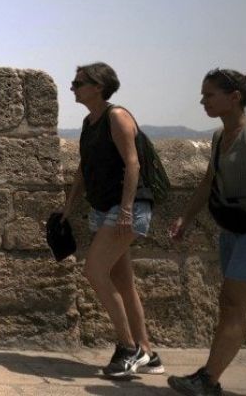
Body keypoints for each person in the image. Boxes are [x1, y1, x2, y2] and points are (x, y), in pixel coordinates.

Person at [168, 69, 246, 396]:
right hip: (232, 231)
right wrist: (186, 217)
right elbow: (209, 181)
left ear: (234, 97)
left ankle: (207, 380)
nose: (202, 101)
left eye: (209, 94)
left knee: (231, 302)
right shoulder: (217, 138)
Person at [60, 62, 163, 378]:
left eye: (78, 83)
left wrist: (128, 209)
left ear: (98, 86)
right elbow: (83, 168)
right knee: (124, 283)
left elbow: (132, 164)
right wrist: (68, 207)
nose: (72, 87)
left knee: (94, 271)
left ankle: (126, 347)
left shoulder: (116, 116)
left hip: (124, 208)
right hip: (105, 208)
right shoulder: (90, 122)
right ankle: (147, 352)